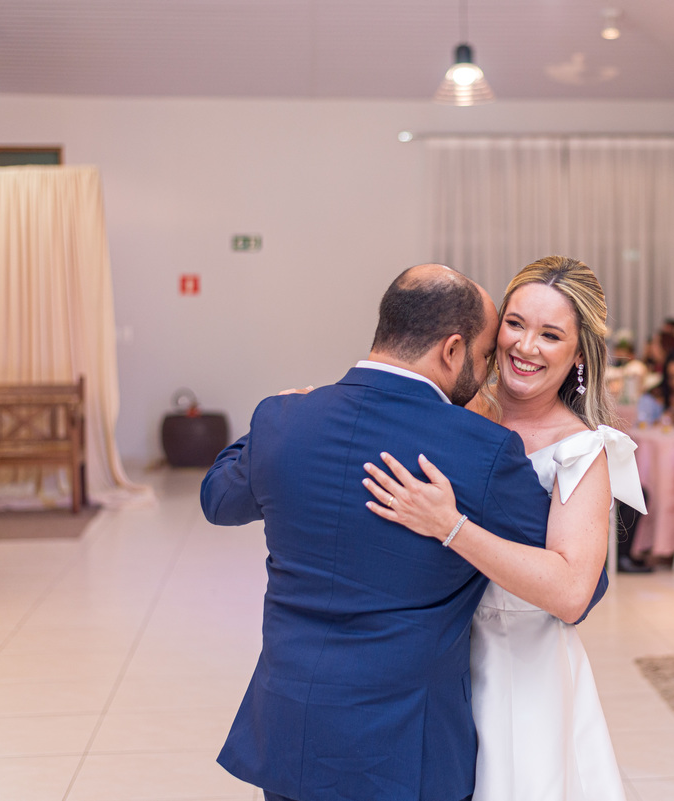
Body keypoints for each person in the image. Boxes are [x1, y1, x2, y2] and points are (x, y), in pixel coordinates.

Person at [201, 265, 587, 801]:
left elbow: (217, 501)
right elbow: (578, 586)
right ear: (452, 350)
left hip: (292, 727)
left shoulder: (283, 420)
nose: (486, 373)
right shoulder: (478, 449)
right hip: (405, 746)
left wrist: (270, 421)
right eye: (482, 357)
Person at [363, 256, 646, 801]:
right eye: (515, 324)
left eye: (550, 334)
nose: (525, 346)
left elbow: (569, 593)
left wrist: (451, 527)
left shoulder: (582, 450)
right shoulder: (456, 411)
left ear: (579, 353)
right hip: (433, 664)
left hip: (521, 674)